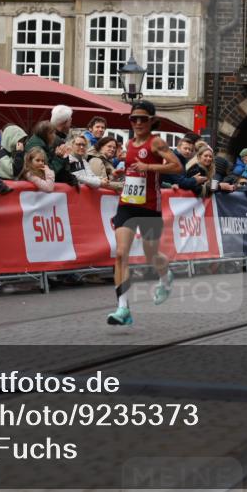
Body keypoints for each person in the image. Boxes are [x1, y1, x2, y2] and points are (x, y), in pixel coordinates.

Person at [107, 100, 183, 327]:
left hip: (150, 205)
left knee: (151, 255)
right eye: (134, 119)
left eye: (143, 119)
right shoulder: (128, 143)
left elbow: (177, 166)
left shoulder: (156, 142)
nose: (138, 123)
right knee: (121, 254)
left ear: (151, 121)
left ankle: (165, 276)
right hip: (127, 203)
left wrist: (149, 167)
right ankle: (123, 308)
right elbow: (134, 167)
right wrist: (123, 172)